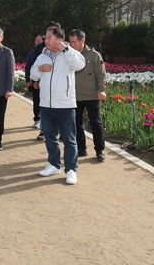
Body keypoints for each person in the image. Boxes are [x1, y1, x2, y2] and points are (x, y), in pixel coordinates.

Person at [30, 27, 85, 185]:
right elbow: (33, 75)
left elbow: (79, 65)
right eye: (46, 38)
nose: (46, 41)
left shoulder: (70, 53)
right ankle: (54, 165)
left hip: (66, 105)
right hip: (46, 105)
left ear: (59, 39)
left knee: (69, 139)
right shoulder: (42, 56)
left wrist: (66, 49)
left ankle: (71, 170)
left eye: (49, 38)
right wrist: (40, 69)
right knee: (50, 137)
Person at [69, 29, 107, 161]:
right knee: (76, 123)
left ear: (82, 41)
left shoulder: (94, 55)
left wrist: (101, 90)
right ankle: (81, 148)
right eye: (70, 42)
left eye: (74, 42)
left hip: (91, 96)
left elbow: (101, 75)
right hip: (75, 96)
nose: (72, 44)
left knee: (95, 123)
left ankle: (100, 150)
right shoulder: (68, 55)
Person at [25, 21, 61, 140]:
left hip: (61, 88)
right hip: (44, 84)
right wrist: (35, 80)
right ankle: (43, 130)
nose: (49, 36)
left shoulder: (66, 49)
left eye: (53, 31)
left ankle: (61, 131)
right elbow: (35, 65)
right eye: (48, 32)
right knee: (45, 108)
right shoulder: (41, 47)